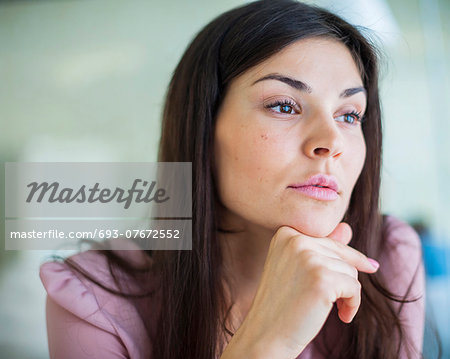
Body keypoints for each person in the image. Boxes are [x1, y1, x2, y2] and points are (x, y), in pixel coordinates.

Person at [39, 1, 426, 358]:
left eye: (349, 115)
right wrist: (267, 341)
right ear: (204, 128)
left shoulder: (390, 256)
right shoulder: (91, 297)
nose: (331, 143)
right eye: (284, 106)